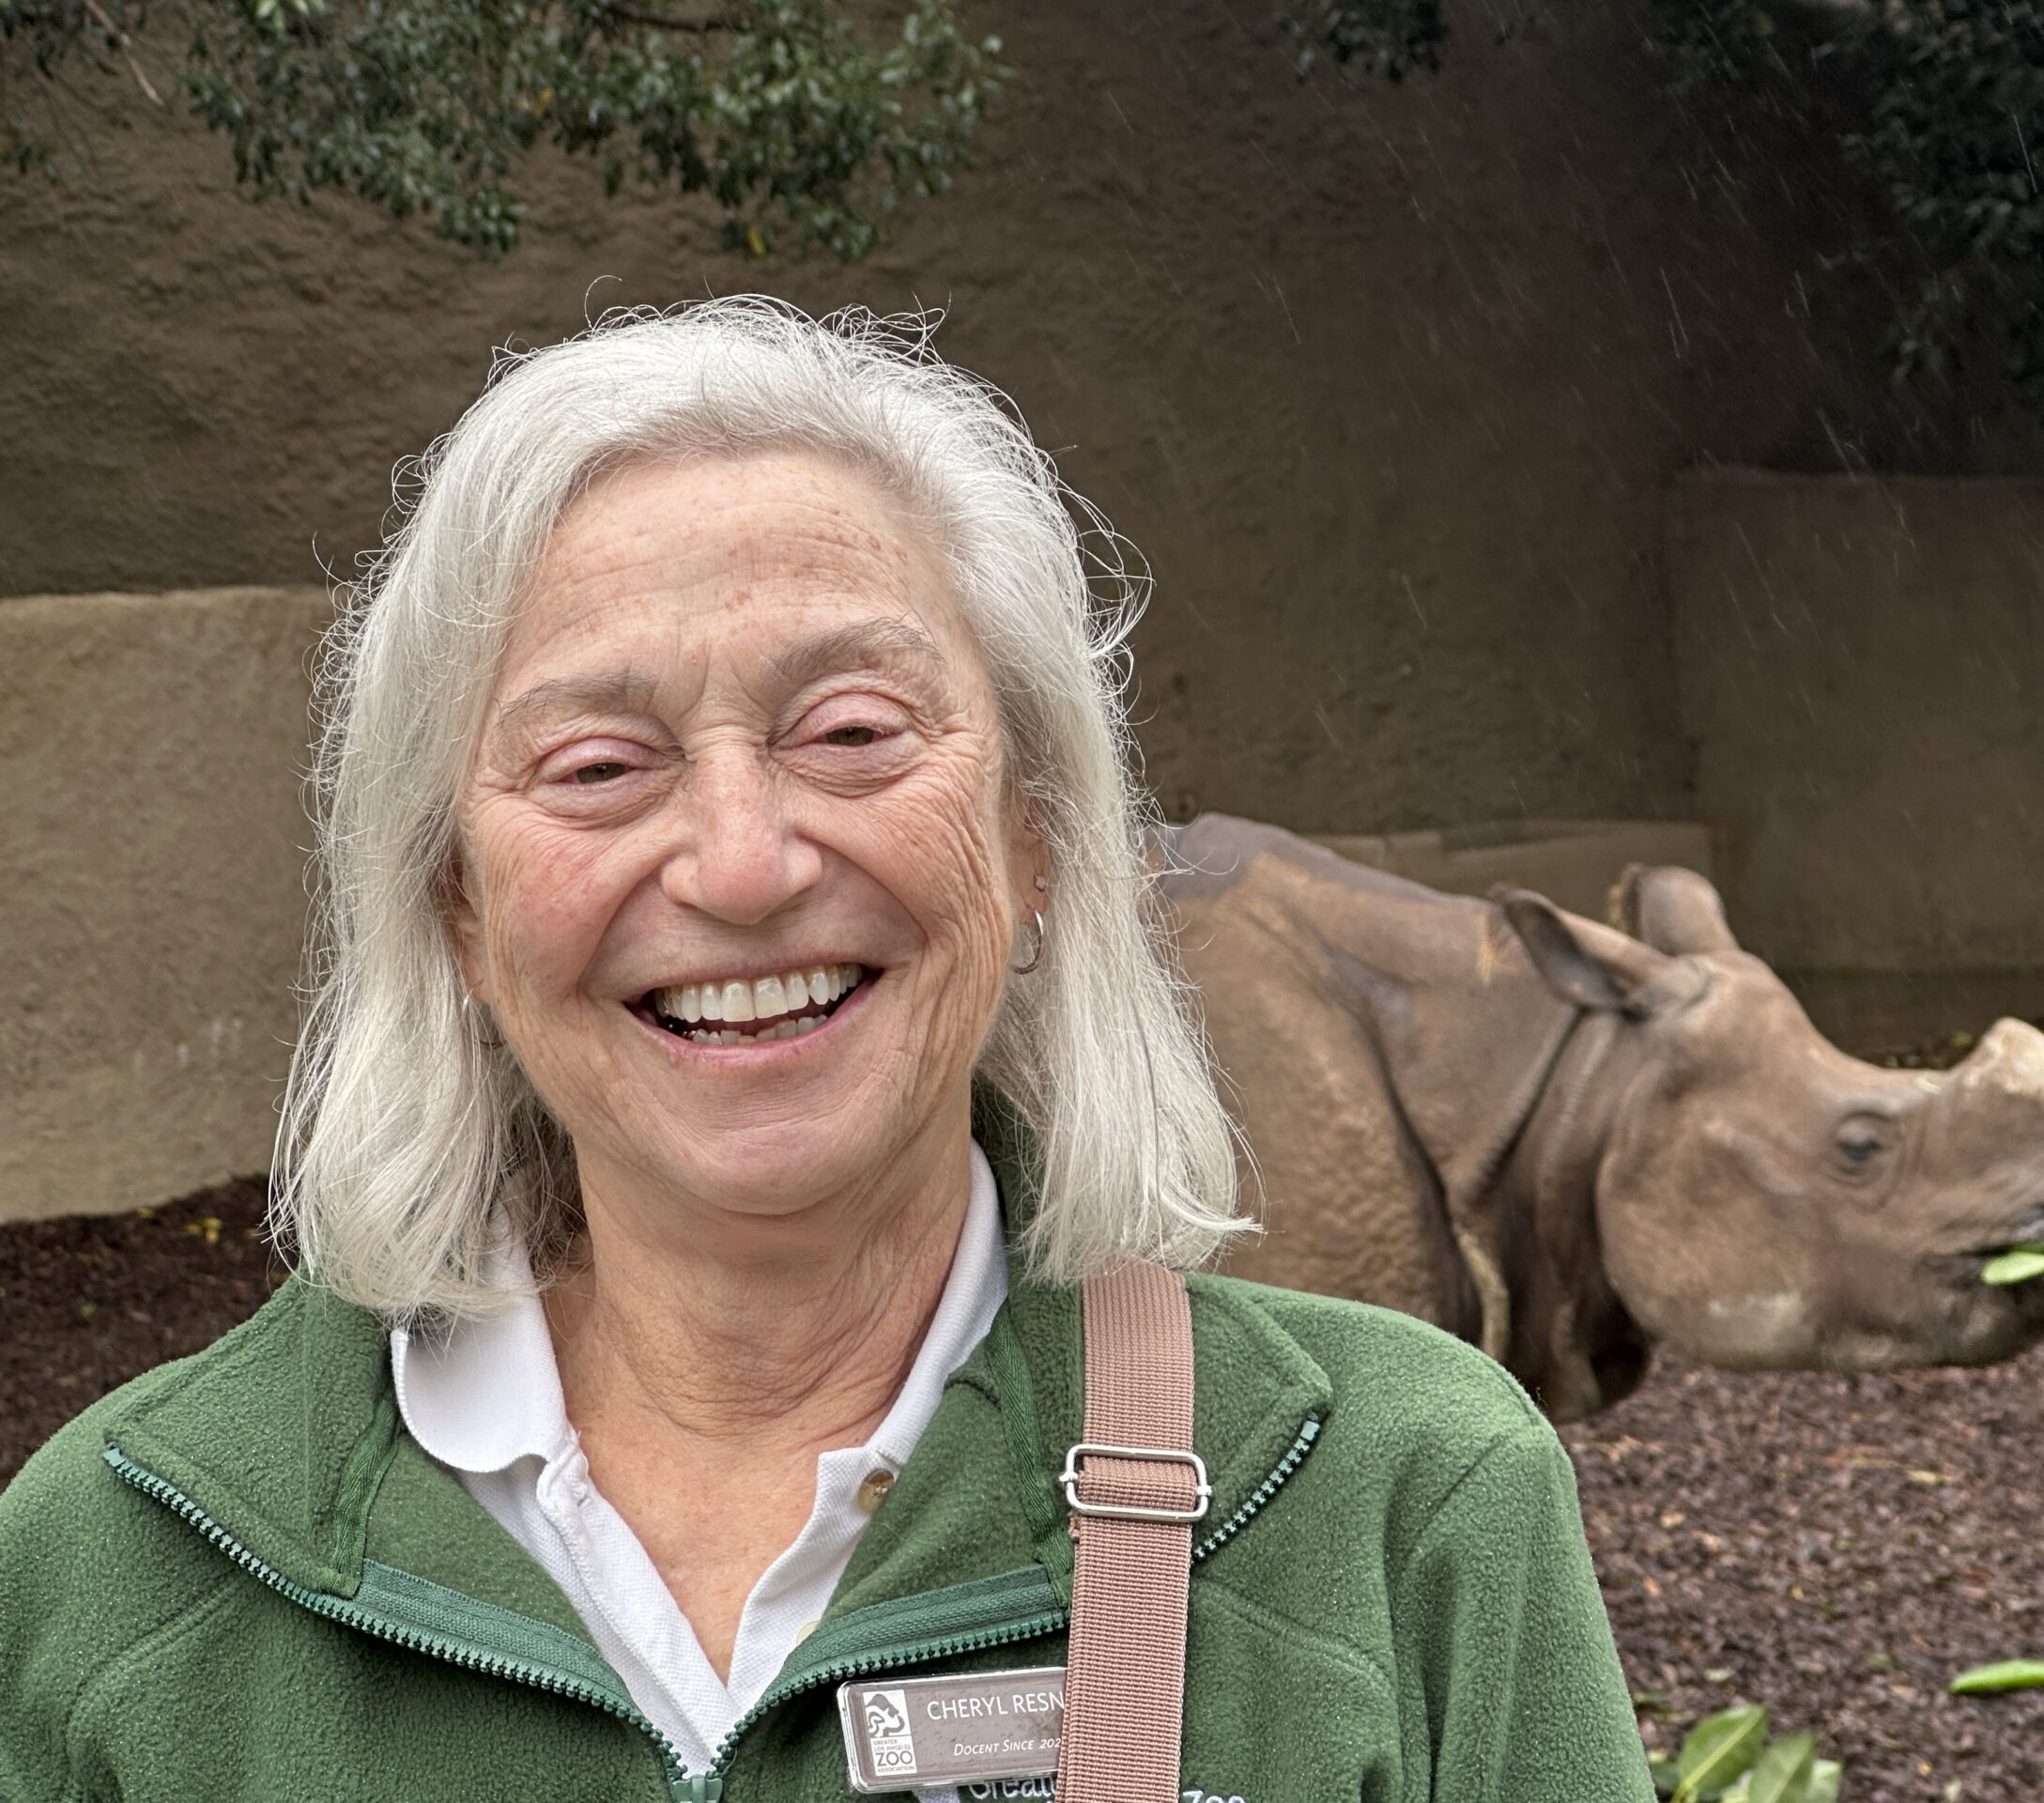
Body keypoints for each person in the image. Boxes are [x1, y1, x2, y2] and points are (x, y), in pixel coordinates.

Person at [0, 300, 1653, 1801]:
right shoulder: (111, 1572)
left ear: (1032, 846)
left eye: (852, 733)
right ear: (459, 916)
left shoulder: (1413, 1512)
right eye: (596, 764)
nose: (741, 864)